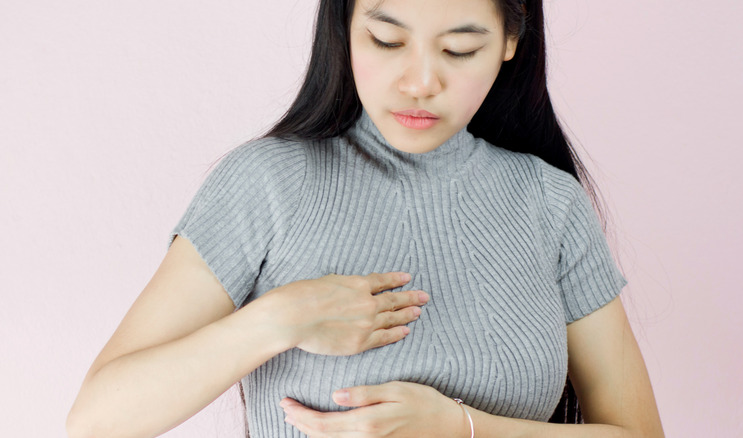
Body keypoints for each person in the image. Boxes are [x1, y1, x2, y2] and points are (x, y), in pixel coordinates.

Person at [67, 0, 665, 436]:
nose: (421, 82)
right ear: (345, 27)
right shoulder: (267, 183)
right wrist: (278, 319)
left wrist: (463, 428)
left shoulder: (549, 203)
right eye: (386, 39)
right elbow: (97, 419)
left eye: (460, 49)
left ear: (511, 40)